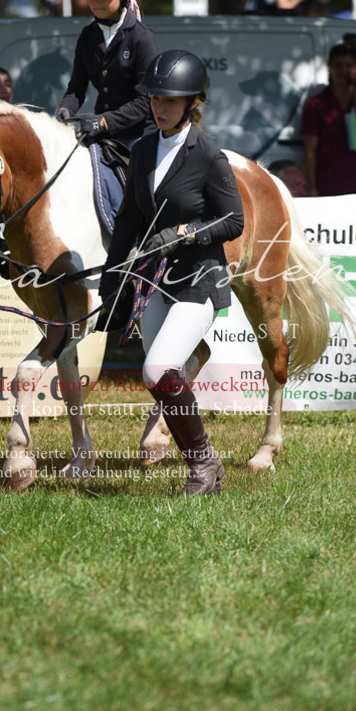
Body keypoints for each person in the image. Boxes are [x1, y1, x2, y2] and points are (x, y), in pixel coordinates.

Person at [99, 50, 245, 496]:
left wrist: (186, 233)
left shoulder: (209, 155)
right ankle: (205, 465)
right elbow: (127, 220)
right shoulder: (142, 149)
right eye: (155, 99)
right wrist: (112, 280)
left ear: (193, 102)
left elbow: (232, 221)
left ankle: (203, 466)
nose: (160, 107)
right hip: (152, 279)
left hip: (199, 280)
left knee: (158, 368)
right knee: (160, 378)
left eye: (170, 100)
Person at [55, 0, 158, 146]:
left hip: (140, 137)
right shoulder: (87, 36)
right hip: (102, 134)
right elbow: (76, 88)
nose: (96, 0)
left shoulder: (141, 38)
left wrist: (104, 121)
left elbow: (147, 100)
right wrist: (65, 110)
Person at [301, 42, 356, 196]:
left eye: (348, 65)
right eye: (338, 65)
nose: (343, 70)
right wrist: (312, 189)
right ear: (330, 67)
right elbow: (310, 151)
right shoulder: (316, 104)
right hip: (332, 184)